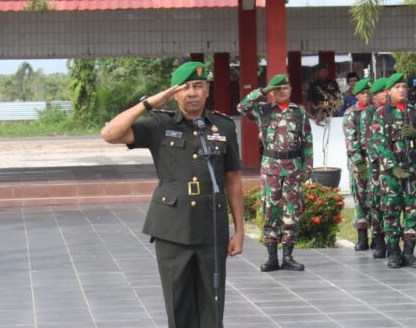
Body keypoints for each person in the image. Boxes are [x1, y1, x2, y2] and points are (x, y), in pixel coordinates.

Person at [101, 61, 244, 328]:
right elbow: (110, 133)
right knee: (178, 306)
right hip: (172, 228)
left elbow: (233, 180)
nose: (192, 93)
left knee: (213, 304)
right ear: (174, 93)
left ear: (207, 90)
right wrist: (151, 102)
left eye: (198, 86)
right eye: (185, 87)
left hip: (210, 227)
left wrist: (239, 230)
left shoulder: (222, 127)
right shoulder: (158, 124)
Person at [238, 74, 312, 272]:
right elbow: (242, 106)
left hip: (294, 167)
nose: (281, 91)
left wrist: (308, 166)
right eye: (277, 89)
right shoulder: (263, 110)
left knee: (292, 211)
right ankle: (272, 257)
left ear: (291, 89)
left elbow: (307, 141)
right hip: (271, 167)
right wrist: (262, 92)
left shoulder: (300, 112)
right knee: (270, 209)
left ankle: (288, 256)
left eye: (285, 88)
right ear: (271, 92)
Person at [372, 73, 416, 268]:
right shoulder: (381, 114)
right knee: (390, 213)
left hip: (413, 171)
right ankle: (394, 253)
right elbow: (379, 144)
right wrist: (393, 167)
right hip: (391, 174)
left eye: (404, 86)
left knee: (412, 212)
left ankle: (409, 252)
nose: (401, 89)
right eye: (397, 86)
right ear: (389, 91)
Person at [343, 78, 372, 251]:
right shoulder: (350, 113)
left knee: (376, 199)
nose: (366, 96)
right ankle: (362, 237)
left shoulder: (377, 111)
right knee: (360, 198)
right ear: (356, 95)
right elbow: (351, 142)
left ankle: (378, 235)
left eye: (368, 93)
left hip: (376, 162)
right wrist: (360, 164)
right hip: (358, 164)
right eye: (363, 93)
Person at [363, 77, 389, 258]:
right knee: (377, 204)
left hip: (392, 166)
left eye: (387, 90)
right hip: (376, 166)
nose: (386, 94)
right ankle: (379, 239)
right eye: (382, 92)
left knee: (391, 204)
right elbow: (368, 142)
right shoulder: (369, 114)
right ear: (374, 96)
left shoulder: (392, 112)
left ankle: (391, 240)